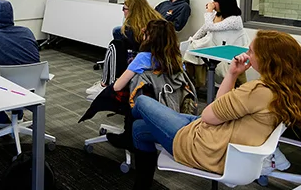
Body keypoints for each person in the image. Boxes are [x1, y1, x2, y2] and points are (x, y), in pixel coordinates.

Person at [129, 30, 301, 189]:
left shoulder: (258, 91)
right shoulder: (287, 89)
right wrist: (232, 74)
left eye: (251, 51)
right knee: (138, 129)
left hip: (205, 146)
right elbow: (221, 107)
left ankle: (126, 131)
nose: (247, 54)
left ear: (266, 59)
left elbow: (209, 115)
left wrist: (231, 77)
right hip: (220, 135)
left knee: (142, 101)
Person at [81, 20, 194, 150]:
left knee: (118, 90)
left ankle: (128, 136)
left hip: (143, 105)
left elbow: (118, 86)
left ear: (149, 38)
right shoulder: (177, 60)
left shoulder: (143, 58)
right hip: (169, 105)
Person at [0, 0, 40, 125]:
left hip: (4, 93)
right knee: (17, 75)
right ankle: (18, 115)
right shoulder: (27, 32)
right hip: (32, 90)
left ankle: (2, 124)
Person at [183, 0, 248, 87]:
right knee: (191, 56)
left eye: (214, 2)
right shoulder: (216, 15)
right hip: (215, 47)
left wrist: (208, 11)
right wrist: (192, 40)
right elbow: (204, 29)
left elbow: (210, 27)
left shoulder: (235, 20)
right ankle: (195, 85)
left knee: (233, 79)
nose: (212, 4)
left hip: (231, 53)